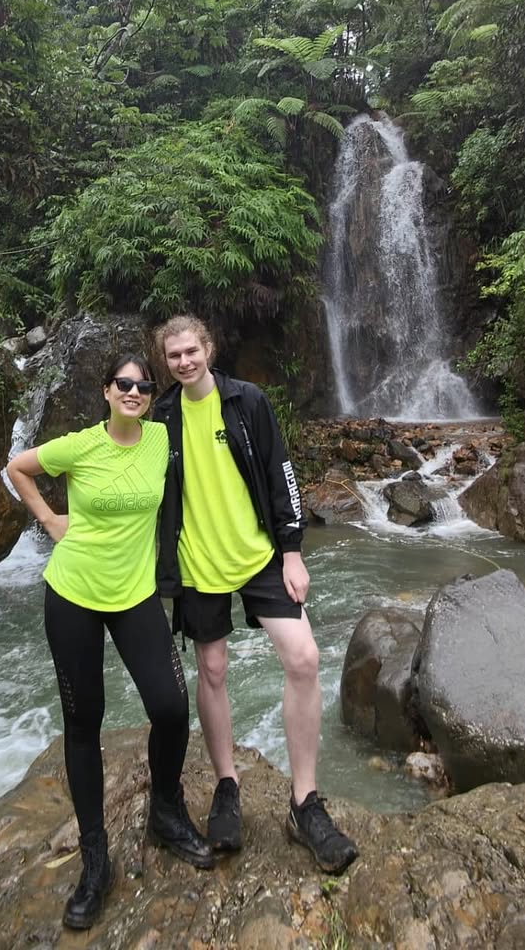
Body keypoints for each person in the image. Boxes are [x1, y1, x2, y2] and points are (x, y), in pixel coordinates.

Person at [5, 352, 212, 932]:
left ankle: (165, 814)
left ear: (151, 395)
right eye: (124, 384)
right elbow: (18, 467)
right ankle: (95, 859)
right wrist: (50, 520)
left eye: (144, 385)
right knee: (84, 721)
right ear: (105, 390)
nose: (134, 391)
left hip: (136, 594)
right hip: (72, 593)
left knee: (171, 708)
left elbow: (210, 422)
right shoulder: (79, 444)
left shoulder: (159, 439)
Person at [152, 316, 358, 876]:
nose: (184, 361)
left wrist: (292, 551)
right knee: (212, 670)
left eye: (191, 350)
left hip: (260, 555)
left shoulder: (248, 402)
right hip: (197, 563)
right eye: (173, 355)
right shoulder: (160, 417)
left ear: (209, 349)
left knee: (304, 658)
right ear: (164, 362)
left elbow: (280, 473)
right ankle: (226, 786)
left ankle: (305, 803)